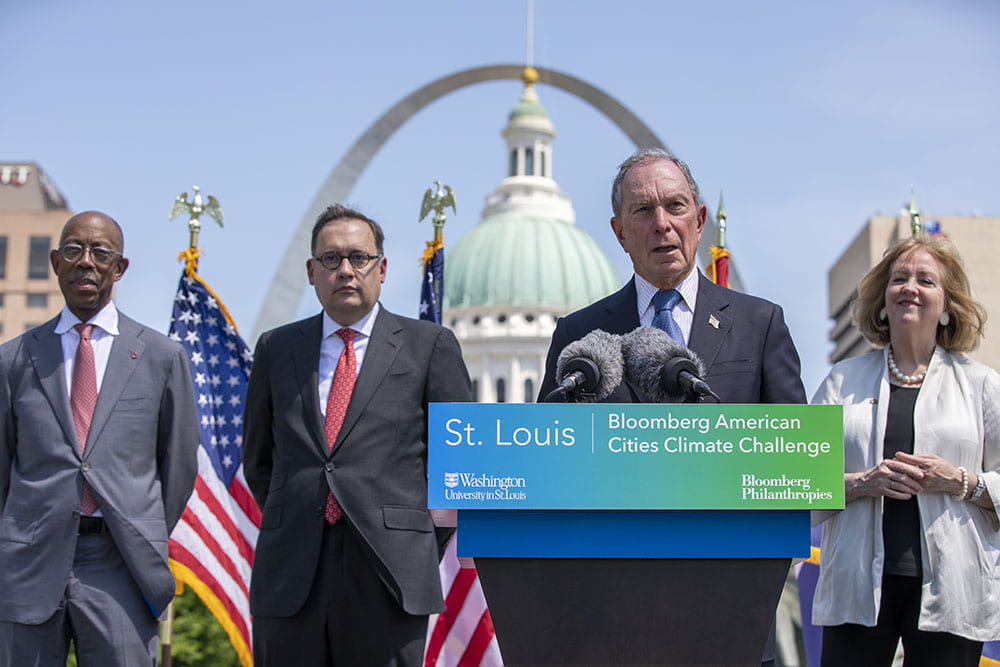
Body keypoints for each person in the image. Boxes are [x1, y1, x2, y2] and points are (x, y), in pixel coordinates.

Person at [537, 148, 807, 665]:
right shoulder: (578, 335)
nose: (662, 224)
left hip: (730, 601)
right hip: (609, 605)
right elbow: (548, 461)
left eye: (676, 206)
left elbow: (793, 455)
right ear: (619, 232)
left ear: (699, 220)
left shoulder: (760, 324)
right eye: (643, 210)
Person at [244, 204, 473, 665]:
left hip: (391, 574)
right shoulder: (276, 348)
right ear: (311, 272)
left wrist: (414, 540)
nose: (345, 270)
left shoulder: (429, 346)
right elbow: (259, 461)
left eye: (359, 257)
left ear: (382, 268)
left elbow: (457, 466)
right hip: (292, 574)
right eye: (330, 259)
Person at [0, 211, 199, 665]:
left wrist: (136, 524)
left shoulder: (162, 358)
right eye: (73, 250)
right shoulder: (13, 360)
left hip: (121, 563)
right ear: (55, 262)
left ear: (119, 268)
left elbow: (178, 464)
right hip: (29, 563)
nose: (85, 262)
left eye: (100, 252)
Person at [811, 236, 998, 666]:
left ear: (947, 305)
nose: (910, 287)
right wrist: (862, 483)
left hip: (952, 593)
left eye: (926, 280)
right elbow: (799, 482)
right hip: (855, 591)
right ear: (883, 300)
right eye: (899, 279)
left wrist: (958, 480)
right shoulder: (842, 380)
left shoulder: (981, 384)